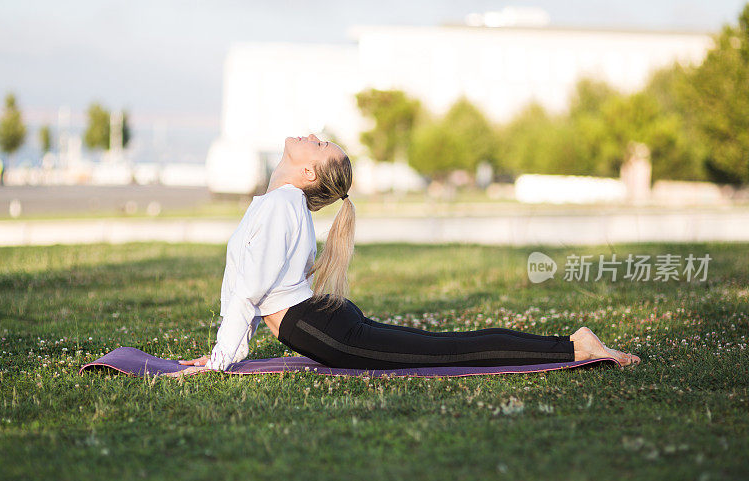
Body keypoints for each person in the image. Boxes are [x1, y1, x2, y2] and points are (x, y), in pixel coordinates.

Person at [170, 134, 640, 377]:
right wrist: (220, 353)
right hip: (320, 322)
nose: (312, 135)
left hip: (321, 329)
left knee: (447, 350)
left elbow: (248, 293)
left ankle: (573, 348)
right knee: (444, 345)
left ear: (309, 170)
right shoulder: (276, 206)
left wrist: (220, 359)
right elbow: (245, 289)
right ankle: (572, 343)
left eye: (319, 143)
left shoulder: (279, 207)